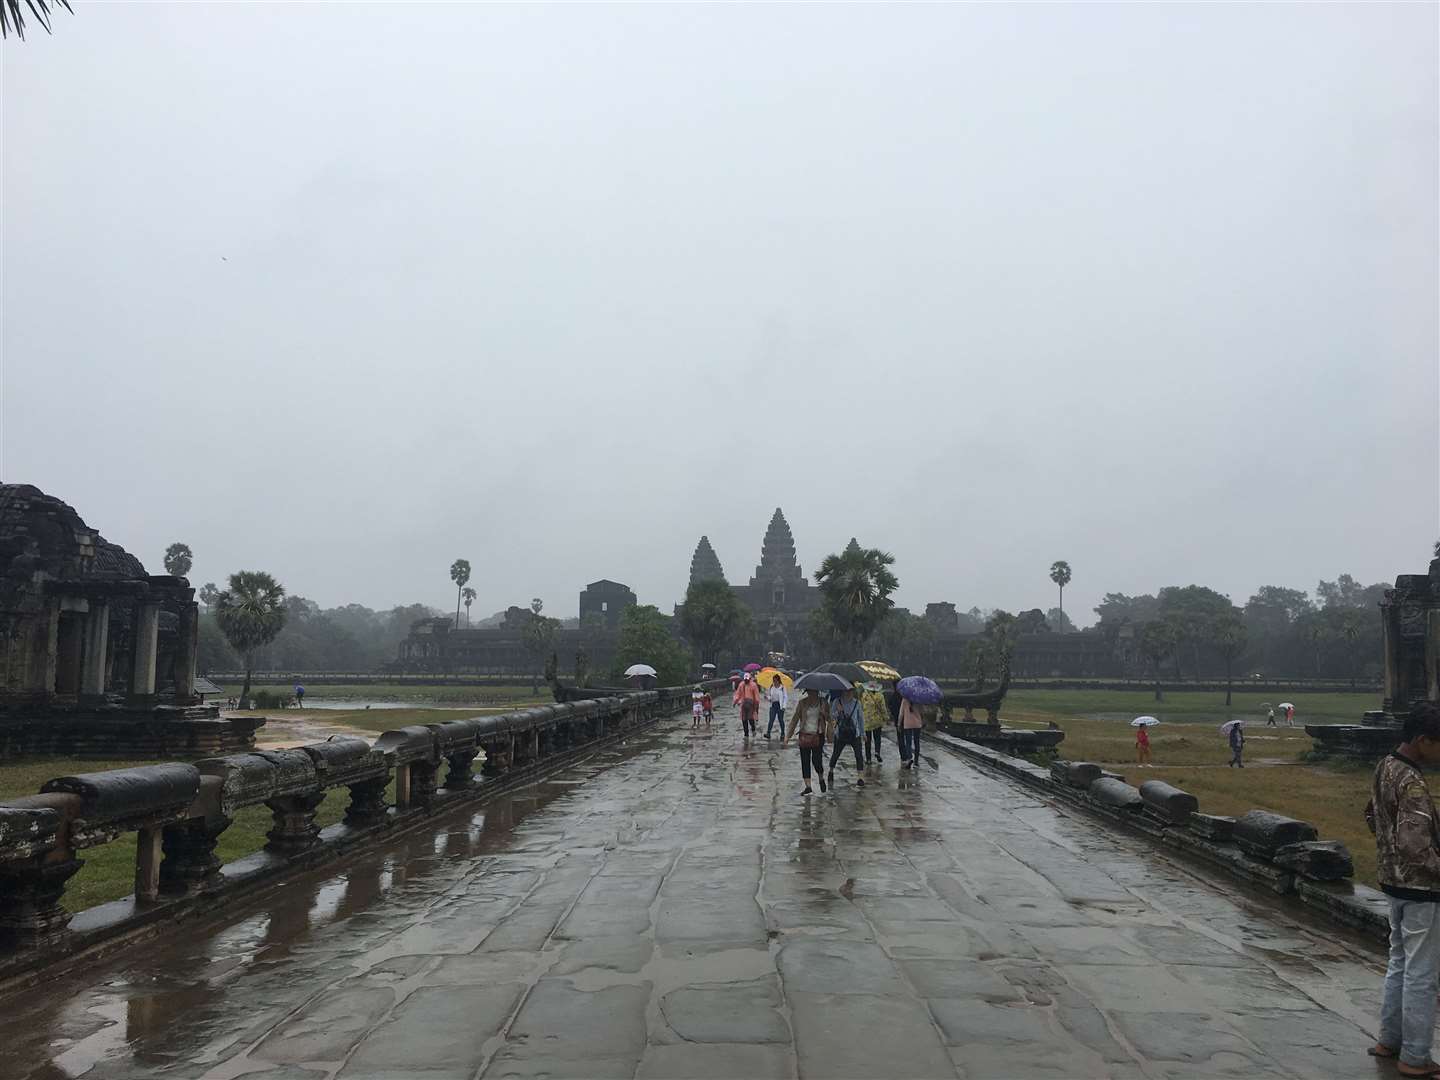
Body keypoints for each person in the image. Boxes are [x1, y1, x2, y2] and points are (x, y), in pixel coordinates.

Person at [1365, 702, 1440, 1078]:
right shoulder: (1412, 782)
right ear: (1424, 740)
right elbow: (1416, 846)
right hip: (1421, 888)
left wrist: (1387, 848)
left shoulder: (1385, 766)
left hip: (1391, 881)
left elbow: (1371, 816)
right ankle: (1415, 1056)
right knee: (1423, 974)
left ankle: (1388, 1040)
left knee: (1399, 963)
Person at [783, 688, 832, 796]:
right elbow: (795, 719)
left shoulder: (823, 702)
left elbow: (830, 718)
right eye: (809, 692)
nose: (811, 694)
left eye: (813, 692)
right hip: (804, 735)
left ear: (817, 692)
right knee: (805, 761)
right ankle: (808, 786)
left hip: (818, 736)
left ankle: (820, 778)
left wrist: (824, 714)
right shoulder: (802, 703)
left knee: (816, 760)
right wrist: (788, 736)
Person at [828, 686, 866, 788]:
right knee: (836, 753)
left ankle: (860, 777)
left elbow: (860, 719)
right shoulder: (837, 701)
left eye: (851, 690)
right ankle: (831, 770)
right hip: (841, 733)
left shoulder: (857, 703)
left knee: (859, 755)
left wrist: (863, 733)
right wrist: (839, 712)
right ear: (843, 691)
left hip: (855, 733)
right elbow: (831, 716)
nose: (849, 693)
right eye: (847, 690)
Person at [860, 681, 888, 765]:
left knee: (867, 740)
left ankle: (868, 759)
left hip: (867, 721)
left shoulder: (864, 696)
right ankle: (877, 752)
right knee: (877, 738)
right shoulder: (880, 696)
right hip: (877, 721)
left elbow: (861, 707)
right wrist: (886, 718)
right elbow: (883, 708)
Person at [898, 695, 924, 770]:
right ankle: (916, 762)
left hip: (907, 724)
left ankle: (909, 758)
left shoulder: (905, 699)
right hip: (917, 724)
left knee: (908, 742)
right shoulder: (918, 699)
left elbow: (901, 713)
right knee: (917, 742)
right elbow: (922, 712)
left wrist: (899, 724)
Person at [733, 672, 761, 738]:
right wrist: (735, 702)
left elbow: (756, 695)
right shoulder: (741, 685)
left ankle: (753, 728)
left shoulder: (753, 685)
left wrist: (756, 703)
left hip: (751, 703)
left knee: (750, 718)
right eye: (745, 679)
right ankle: (746, 734)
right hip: (743, 703)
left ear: (750, 678)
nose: (746, 681)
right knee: (744, 719)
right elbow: (738, 694)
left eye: (747, 679)